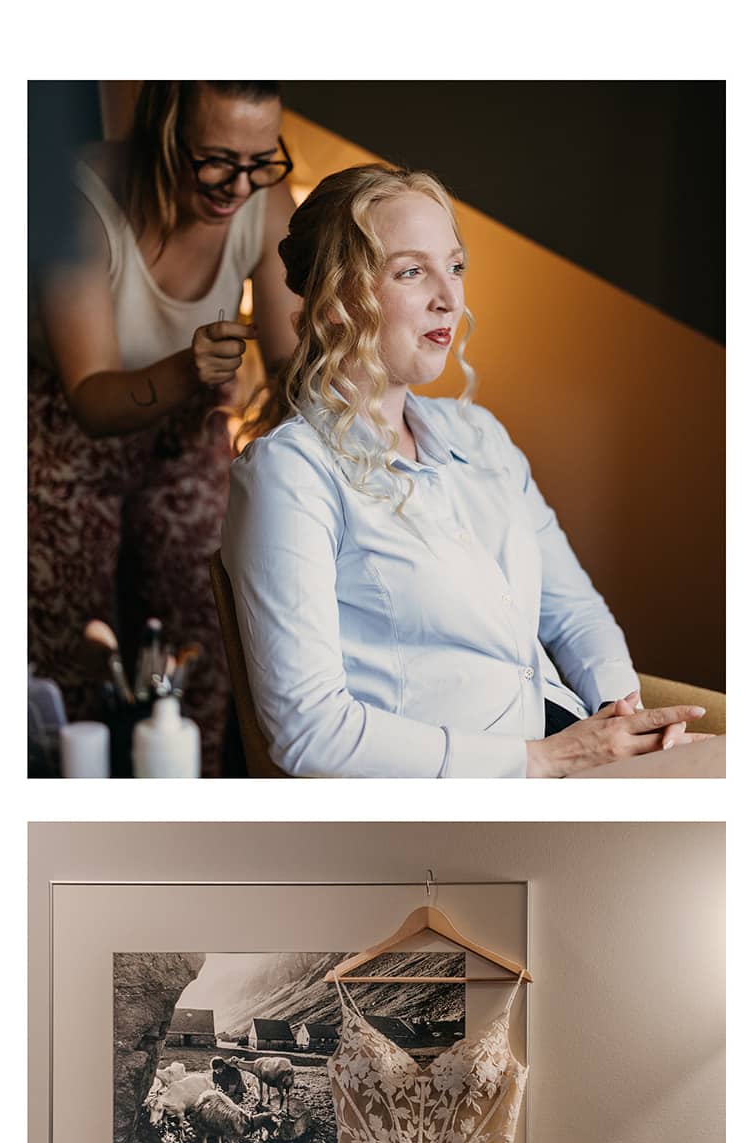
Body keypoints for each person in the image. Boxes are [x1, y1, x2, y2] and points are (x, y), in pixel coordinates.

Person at [219, 164, 711, 778]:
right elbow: (310, 732)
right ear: (338, 298)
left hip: (569, 748)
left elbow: (574, 612)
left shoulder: (482, 438)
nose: (448, 297)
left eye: (453, 267)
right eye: (410, 271)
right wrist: (545, 759)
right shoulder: (291, 475)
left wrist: (619, 709)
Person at [30, 81, 301, 775]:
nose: (238, 186)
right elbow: (91, 396)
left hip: (186, 433)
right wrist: (188, 369)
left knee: (204, 626)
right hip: (67, 432)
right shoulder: (76, 199)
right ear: (162, 132)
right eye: (216, 160)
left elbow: (289, 365)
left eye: (259, 160)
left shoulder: (265, 198)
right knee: (71, 648)